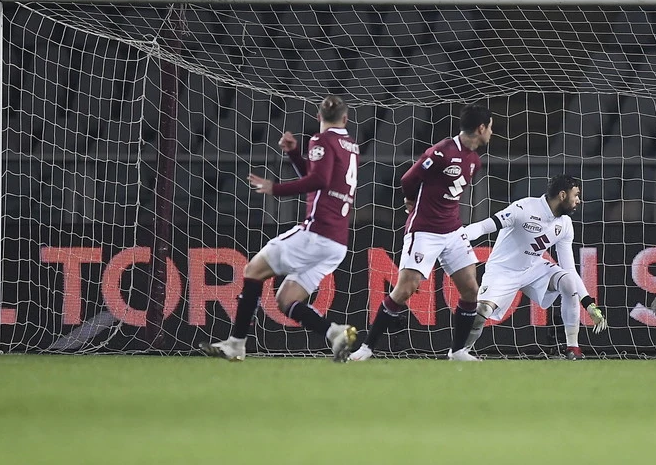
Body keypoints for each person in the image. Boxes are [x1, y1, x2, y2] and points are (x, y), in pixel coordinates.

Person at [200, 96, 359, 362]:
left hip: (317, 232)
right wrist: (295, 154)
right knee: (287, 300)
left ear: (319, 118)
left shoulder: (322, 140)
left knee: (253, 271)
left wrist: (276, 189)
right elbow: (319, 176)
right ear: (345, 119)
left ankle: (236, 344)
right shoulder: (350, 146)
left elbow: (317, 180)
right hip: (337, 242)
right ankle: (334, 333)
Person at [350, 105, 493, 361]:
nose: (491, 133)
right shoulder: (442, 151)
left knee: (471, 289)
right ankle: (366, 348)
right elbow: (408, 179)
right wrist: (410, 200)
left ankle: (458, 351)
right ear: (481, 128)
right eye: (490, 127)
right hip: (424, 230)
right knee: (405, 289)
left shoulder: (474, 161)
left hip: (452, 230)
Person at [459, 174, 606, 360]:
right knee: (482, 312)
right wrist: (456, 238)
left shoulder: (565, 224)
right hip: (503, 270)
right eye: (576, 195)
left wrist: (589, 304)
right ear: (562, 195)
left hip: (533, 268)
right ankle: (459, 352)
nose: (579, 200)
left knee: (567, 281)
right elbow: (483, 227)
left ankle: (573, 348)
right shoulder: (524, 208)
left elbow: (569, 269)